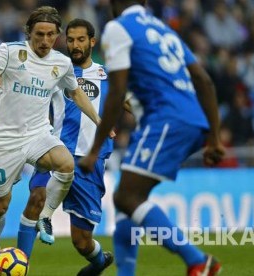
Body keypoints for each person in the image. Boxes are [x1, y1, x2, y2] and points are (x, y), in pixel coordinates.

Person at [0, 18, 120, 276]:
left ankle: (61, 230)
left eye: (51, 35)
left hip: (70, 152)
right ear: (30, 33)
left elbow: (88, 96)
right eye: (40, 34)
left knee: (81, 238)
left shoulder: (79, 69)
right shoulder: (15, 54)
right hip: (22, 142)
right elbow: (8, 99)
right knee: (9, 204)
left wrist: (102, 122)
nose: (45, 40)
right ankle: (4, 255)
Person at [78, 1, 226, 276]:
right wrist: (214, 138)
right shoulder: (164, 30)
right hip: (191, 119)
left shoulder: (118, 28)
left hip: (166, 119)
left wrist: (94, 149)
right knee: (126, 201)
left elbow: (116, 91)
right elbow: (204, 81)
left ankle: (197, 260)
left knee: (127, 197)